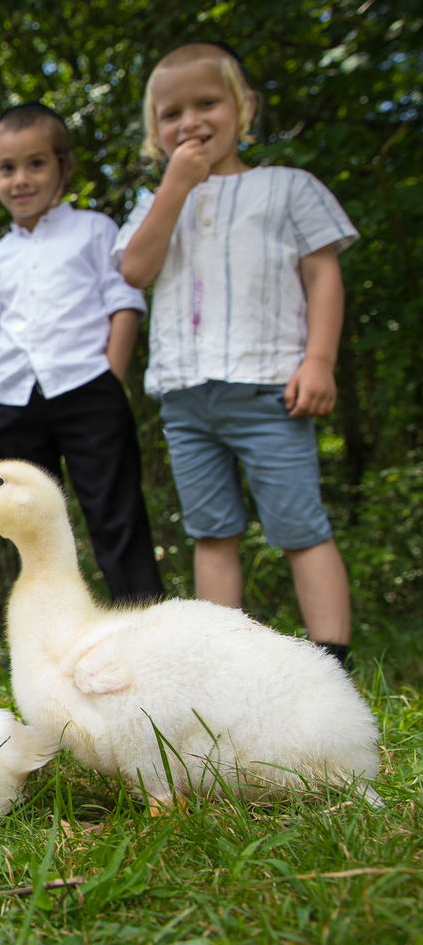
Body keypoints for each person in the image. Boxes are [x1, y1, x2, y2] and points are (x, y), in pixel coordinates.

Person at [116, 42, 358, 666]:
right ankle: (224, 668)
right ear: (155, 132)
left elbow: (322, 274)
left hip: (270, 388)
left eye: (207, 104)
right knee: (211, 532)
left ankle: (334, 661)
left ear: (243, 108)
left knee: (300, 528)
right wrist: (175, 187)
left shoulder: (287, 189)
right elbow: (136, 270)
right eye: (172, 114)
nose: (190, 122)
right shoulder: (156, 203)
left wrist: (320, 361)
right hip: (187, 398)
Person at [0, 101, 162, 602]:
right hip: (11, 402)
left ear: (62, 167)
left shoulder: (96, 231)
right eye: (7, 169)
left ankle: (142, 625)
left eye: (36, 164)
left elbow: (124, 304)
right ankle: (54, 631)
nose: (21, 179)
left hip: (87, 390)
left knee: (114, 513)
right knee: (31, 527)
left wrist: (110, 379)